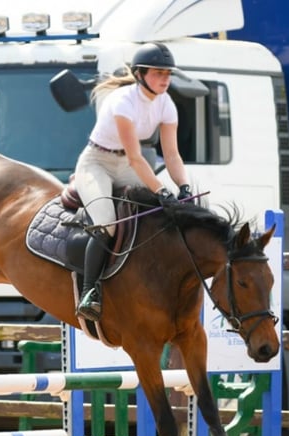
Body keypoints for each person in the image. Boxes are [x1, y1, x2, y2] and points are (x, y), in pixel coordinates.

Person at [74, 42, 193, 322]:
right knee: (107, 222)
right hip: (97, 162)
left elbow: (172, 154)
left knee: (159, 218)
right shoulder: (122, 101)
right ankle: (90, 292)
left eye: (168, 74)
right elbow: (137, 157)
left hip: (127, 165)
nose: (165, 79)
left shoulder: (166, 104)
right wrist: (162, 190)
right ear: (140, 74)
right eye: (158, 73)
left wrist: (183, 186)